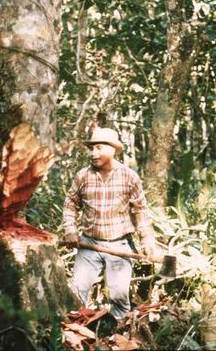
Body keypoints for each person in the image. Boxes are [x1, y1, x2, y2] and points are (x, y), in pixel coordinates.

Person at [62, 127, 158, 325]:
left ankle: (118, 335)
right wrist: (70, 230)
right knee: (77, 291)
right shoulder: (83, 176)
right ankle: (75, 334)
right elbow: (70, 205)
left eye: (98, 148)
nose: (93, 153)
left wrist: (147, 241)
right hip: (89, 243)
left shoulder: (129, 177)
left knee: (120, 296)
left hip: (119, 245)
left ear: (113, 149)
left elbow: (140, 212)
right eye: (91, 149)